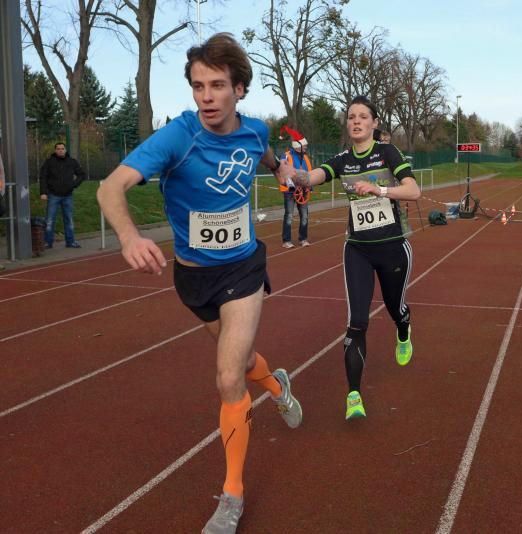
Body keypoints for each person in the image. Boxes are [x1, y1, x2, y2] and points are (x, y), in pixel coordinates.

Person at [96, 33, 302, 534]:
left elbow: (266, 153)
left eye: (217, 86)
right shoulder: (178, 137)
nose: (206, 97)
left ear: (239, 89)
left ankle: (232, 495)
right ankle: (277, 384)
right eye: (197, 87)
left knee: (228, 378)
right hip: (193, 277)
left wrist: (283, 169)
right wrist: (129, 237)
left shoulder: (255, 131)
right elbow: (109, 187)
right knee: (244, 363)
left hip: (243, 268)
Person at [285, 95, 420, 420]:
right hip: (357, 249)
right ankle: (354, 395)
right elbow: (310, 178)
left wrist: (379, 190)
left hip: (392, 247)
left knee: (395, 308)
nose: (356, 121)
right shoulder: (342, 160)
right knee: (357, 322)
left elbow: (413, 191)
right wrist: (282, 169)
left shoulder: (387, 152)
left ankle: (403, 330)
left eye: (362, 116)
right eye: (351, 117)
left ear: (374, 123)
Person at [39, 142, 86, 248]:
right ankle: (47, 242)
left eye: (62, 148)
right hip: (53, 195)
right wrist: (43, 192)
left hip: (68, 195)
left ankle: (70, 242)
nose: (60, 150)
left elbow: (81, 174)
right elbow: (43, 177)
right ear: (55, 150)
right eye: (58, 149)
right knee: (50, 220)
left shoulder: (72, 162)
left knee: (69, 219)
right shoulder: (49, 162)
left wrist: (73, 184)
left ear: (65, 150)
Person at [278, 125, 312, 248]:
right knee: (289, 215)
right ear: (298, 147)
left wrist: (309, 188)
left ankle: (303, 239)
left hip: (303, 191)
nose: (306, 147)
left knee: (305, 215)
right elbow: (282, 170)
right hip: (289, 191)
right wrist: (291, 185)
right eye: (305, 145)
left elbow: (309, 174)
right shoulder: (286, 156)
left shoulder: (306, 158)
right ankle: (286, 241)